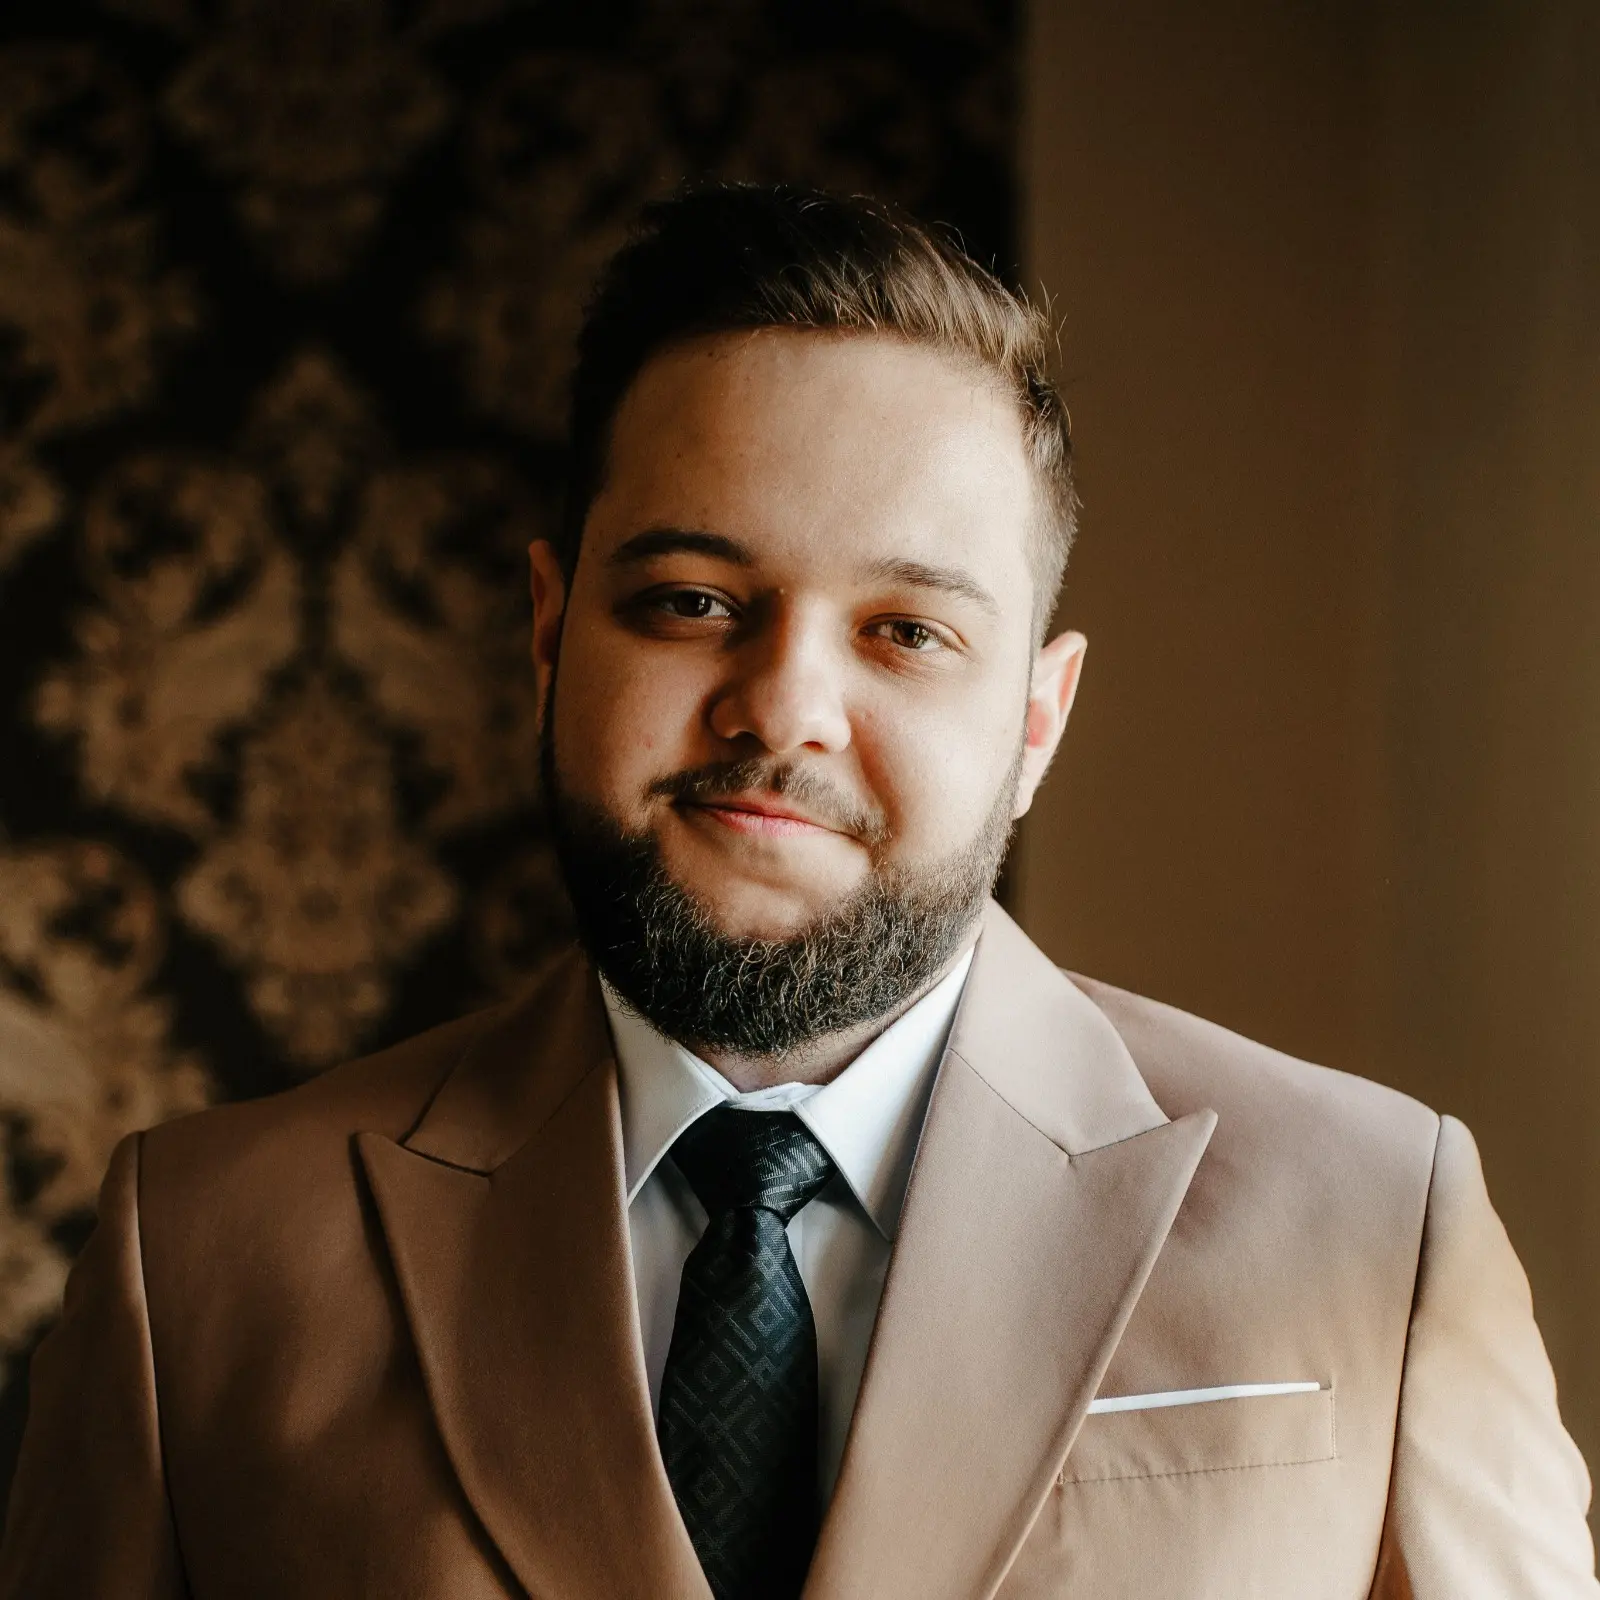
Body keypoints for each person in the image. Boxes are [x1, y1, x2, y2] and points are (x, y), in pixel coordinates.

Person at [1, 182, 1593, 1600]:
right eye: (694, 600)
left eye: (906, 630)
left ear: (1036, 719)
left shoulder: (1381, 1227)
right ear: (552, 639)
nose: (783, 708)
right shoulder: (198, 1260)